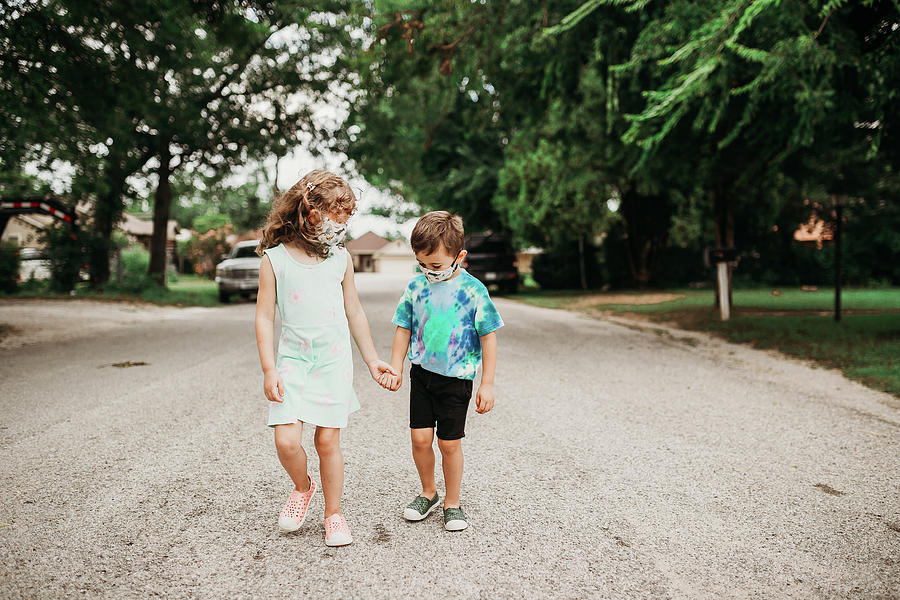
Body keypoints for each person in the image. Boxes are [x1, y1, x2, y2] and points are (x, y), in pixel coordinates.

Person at [255, 169, 396, 546]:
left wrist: (371, 360)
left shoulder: (341, 259)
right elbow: (264, 316)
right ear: (311, 211)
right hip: (293, 363)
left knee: (327, 442)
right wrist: (270, 368)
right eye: (339, 215)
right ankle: (303, 487)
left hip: (333, 362)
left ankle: (333, 513)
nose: (343, 225)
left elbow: (355, 312)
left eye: (348, 218)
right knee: (286, 440)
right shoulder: (275, 260)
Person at [379, 211, 503, 531]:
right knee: (420, 439)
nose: (428, 271)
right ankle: (428, 492)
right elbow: (403, 328)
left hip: (457, 377)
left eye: (435, 265)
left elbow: (488, 337)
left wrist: (486, 384)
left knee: (449, 443)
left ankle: (453, 502)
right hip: (422, 374)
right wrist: (395, 366)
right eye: (421, 263)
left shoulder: (473, 291)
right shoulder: (415, 288)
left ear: (459, 257)